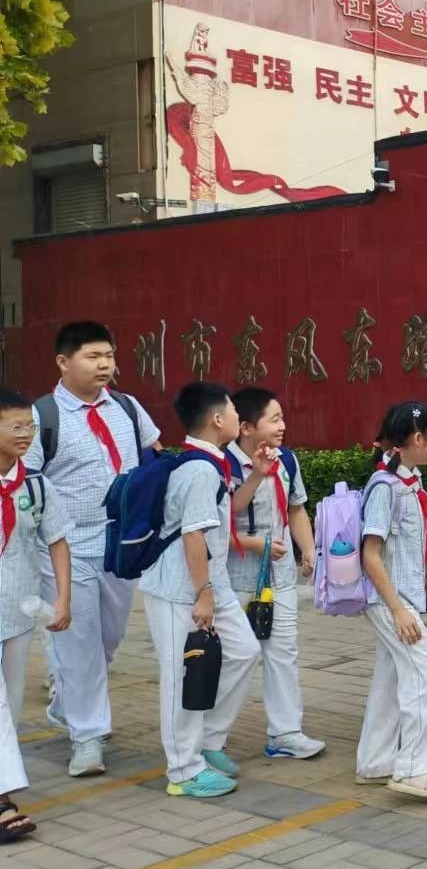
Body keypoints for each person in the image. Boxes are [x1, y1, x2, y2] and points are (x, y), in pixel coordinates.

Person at [25, 322, 162, 777]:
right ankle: (87, 737)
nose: (104, 364)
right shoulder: (42, 417)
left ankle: (68, 703)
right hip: (66, 548)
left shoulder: (127, 406)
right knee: (79, 641)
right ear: (63, 362)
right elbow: (26, 483)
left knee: (107, 638)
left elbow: (153, 456)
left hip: (121, 545)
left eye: (109, 355)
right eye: (93, 356)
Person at [138, 383, 261, 799]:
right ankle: (184, 770)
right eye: (233, 411)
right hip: (181, 587)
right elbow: (193, 534)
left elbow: (218, 520)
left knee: (244, 650)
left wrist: (259, 475)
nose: (238, 418)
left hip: (209, 581)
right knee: (182, 675)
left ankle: (207, 740)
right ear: (217, 419)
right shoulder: (198, 470)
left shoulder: (212, 462)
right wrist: (203, 593)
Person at [355, 403, 427, 802]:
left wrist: (426, 595)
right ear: (417, 439)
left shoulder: (410, 483)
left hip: (402, 597)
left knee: (392, 676)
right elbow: (371, 554)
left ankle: (375, 762)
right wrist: (398, 609)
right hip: (389, 600)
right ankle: (413, 769)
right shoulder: (385, 487)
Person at [225, 387, 325, 761]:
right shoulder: (224, 464)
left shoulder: (287, 461)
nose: (283, 426)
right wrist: (254, 542)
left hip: (279, 575)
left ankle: (285, 733)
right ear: (247, 427)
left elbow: (296, 509)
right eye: (275, 419)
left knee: (283, 652)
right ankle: (209, 735)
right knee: (232, 656)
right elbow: (219, 521)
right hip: (234, 577)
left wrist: (308, 550)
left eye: (282, 418)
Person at [0, 387, 73, 842]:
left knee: (9, 701)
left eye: (29, 425)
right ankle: (3, 799)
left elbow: (58, 541)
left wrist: (62, 599)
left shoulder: (36, 486)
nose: (26, 434)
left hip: (17, 610)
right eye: (15, 426)